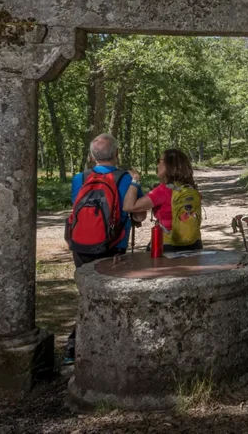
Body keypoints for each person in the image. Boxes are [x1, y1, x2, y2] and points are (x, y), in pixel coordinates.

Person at [63, 133, 145, 366]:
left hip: (81, 246)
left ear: (91, 156)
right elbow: (139, 213)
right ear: (117, 154)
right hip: (114, 246)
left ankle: (73, 348)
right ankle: (112, 348)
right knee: (113, 297)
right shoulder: (127, 179)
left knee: (88, 295)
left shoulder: (80, 178)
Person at [126, 148, 203, 252]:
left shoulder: (163, 191)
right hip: (194, 243)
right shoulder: (190, 188)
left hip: (167, 245)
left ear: (169, 165)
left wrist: (135, 180)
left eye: (159, 161)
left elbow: (129, 206)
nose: (157, 165)